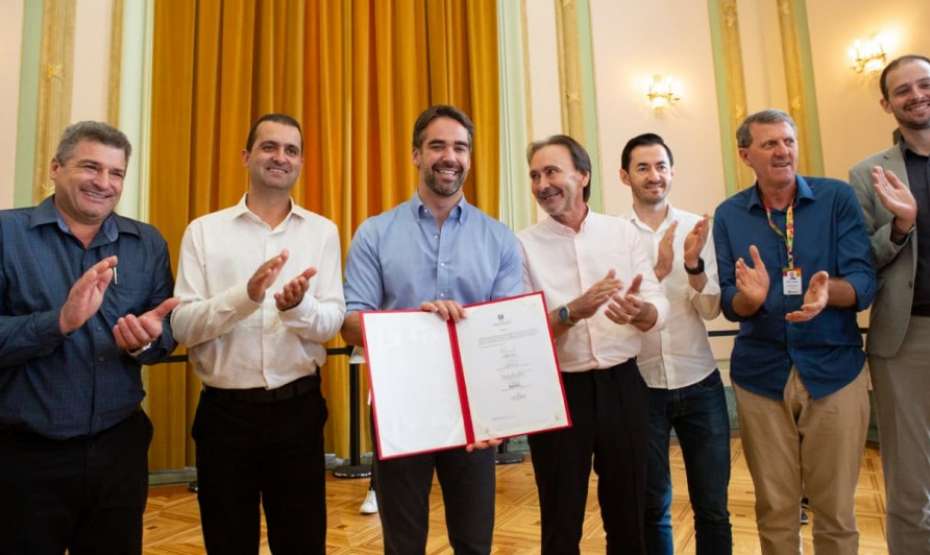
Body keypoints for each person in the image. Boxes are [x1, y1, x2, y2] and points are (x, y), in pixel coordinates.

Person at [341, 104, 523, 554]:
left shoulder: (500, 238)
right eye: (437, 145)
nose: (450, 157)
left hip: (474, 407)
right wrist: (418, 325)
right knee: (403, 543)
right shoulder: (374, 233)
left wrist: (503, 410)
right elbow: (350, 324)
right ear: (416, 155)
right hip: (399, 403)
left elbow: (507, 330)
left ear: (469, 158)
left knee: (474, 540)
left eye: (460, 147)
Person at [0, 121, 178, 554]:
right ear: (55, 168)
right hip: (25, 457)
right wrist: (59, 322)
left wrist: (146, 342)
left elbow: (165, 333)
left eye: (116, 173)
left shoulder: (148, 243)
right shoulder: (7, 235)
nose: (104, 182)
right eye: (90, 167)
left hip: (119, 451)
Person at [171, 113, 345, 554]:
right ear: (246, 156)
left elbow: (331, 324)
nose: (280, 157)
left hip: (299, 412)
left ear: (301, 162)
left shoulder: (323, 232)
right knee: (228, 543)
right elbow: (182, 326)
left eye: (291, 150)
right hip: (225, 417)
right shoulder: (203, 232)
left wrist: (297, 307)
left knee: (303, 544)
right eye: (269, 146)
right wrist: (245, 297)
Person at [713, 109, 876, 554]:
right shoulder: (729, 214)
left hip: (834, 369)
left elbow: (863, 282)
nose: (782, 151)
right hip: (761, 376)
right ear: (745, 155)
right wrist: (751, 298)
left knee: (836, 511)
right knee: (775, 510)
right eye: (769, 144)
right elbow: (729, 300)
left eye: (788, 141)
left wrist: (828, 294)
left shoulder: (836, 199)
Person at [518, 134, 669, 554]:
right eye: (534, 176)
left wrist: (641, 312)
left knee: (629, 515)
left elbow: (657, 303)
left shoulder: (622, 233)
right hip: (558, 393)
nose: (542, 184)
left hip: (623, 386)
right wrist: (572, 312)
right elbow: (521, 330)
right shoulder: (522, 245)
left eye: (551, 172)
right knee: (560, 520)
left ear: (583, 175)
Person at [620, 133, 732, 554]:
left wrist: (692, 264)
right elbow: (615, 311)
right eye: (643, 167)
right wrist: (657, 272)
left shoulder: (697, 228)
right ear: (625, 176)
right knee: (651, 507)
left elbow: (710, 309)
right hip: (641, 386)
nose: (654, 175)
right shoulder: (615, 235)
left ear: (672, 172)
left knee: (713, 508)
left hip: (700, 382)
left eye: (661, 166)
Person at [848, 54, 930, 554]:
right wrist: (900, 226)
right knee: (911, 478)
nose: (916, 95)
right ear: (887, 104)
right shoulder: (868, 174)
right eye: (903, 90)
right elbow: (861, 262)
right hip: (907, 338)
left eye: (924, 84)